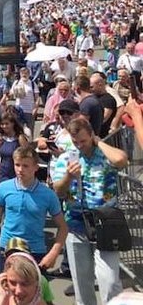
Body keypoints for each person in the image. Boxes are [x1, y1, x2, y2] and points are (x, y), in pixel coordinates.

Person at [51, 118, 129, 304]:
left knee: (110, 281)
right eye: (75, 141)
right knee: (82, 284)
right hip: (77, 226)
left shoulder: (104, 154)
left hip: (106, 226)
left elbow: (121, 160)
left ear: (91, 135)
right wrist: (69, 177)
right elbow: (58, 190)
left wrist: (99, 142)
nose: (79, 146)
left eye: (83, 141)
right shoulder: (66, 158)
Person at [0, 145, 68, 273]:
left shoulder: (48, 194)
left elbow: (63, 227)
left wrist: (53, 253)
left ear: (36, 167)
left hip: (35, 251)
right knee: (5, 290)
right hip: (7, 248)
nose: (20, 170)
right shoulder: (3, 188)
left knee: (34, 291)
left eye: (25, 166)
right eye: (17, 165)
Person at [0, 114, 28, 184]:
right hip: (3, 172)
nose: (4, 126)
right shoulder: (2, 138)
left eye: (7, 124)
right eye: (2, 124)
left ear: (13, 124)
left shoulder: (20, 138)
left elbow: (28, 155)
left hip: (16, 173)